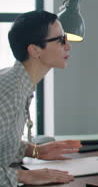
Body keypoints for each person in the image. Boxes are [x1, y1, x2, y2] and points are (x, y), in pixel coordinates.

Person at [0, 10, 82, 186]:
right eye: (61, 40)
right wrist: (24, 176)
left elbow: (2, 144)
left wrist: (34, 151)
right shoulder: (9, 95)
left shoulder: (17, 82)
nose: (68, 46)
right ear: (35, 50)